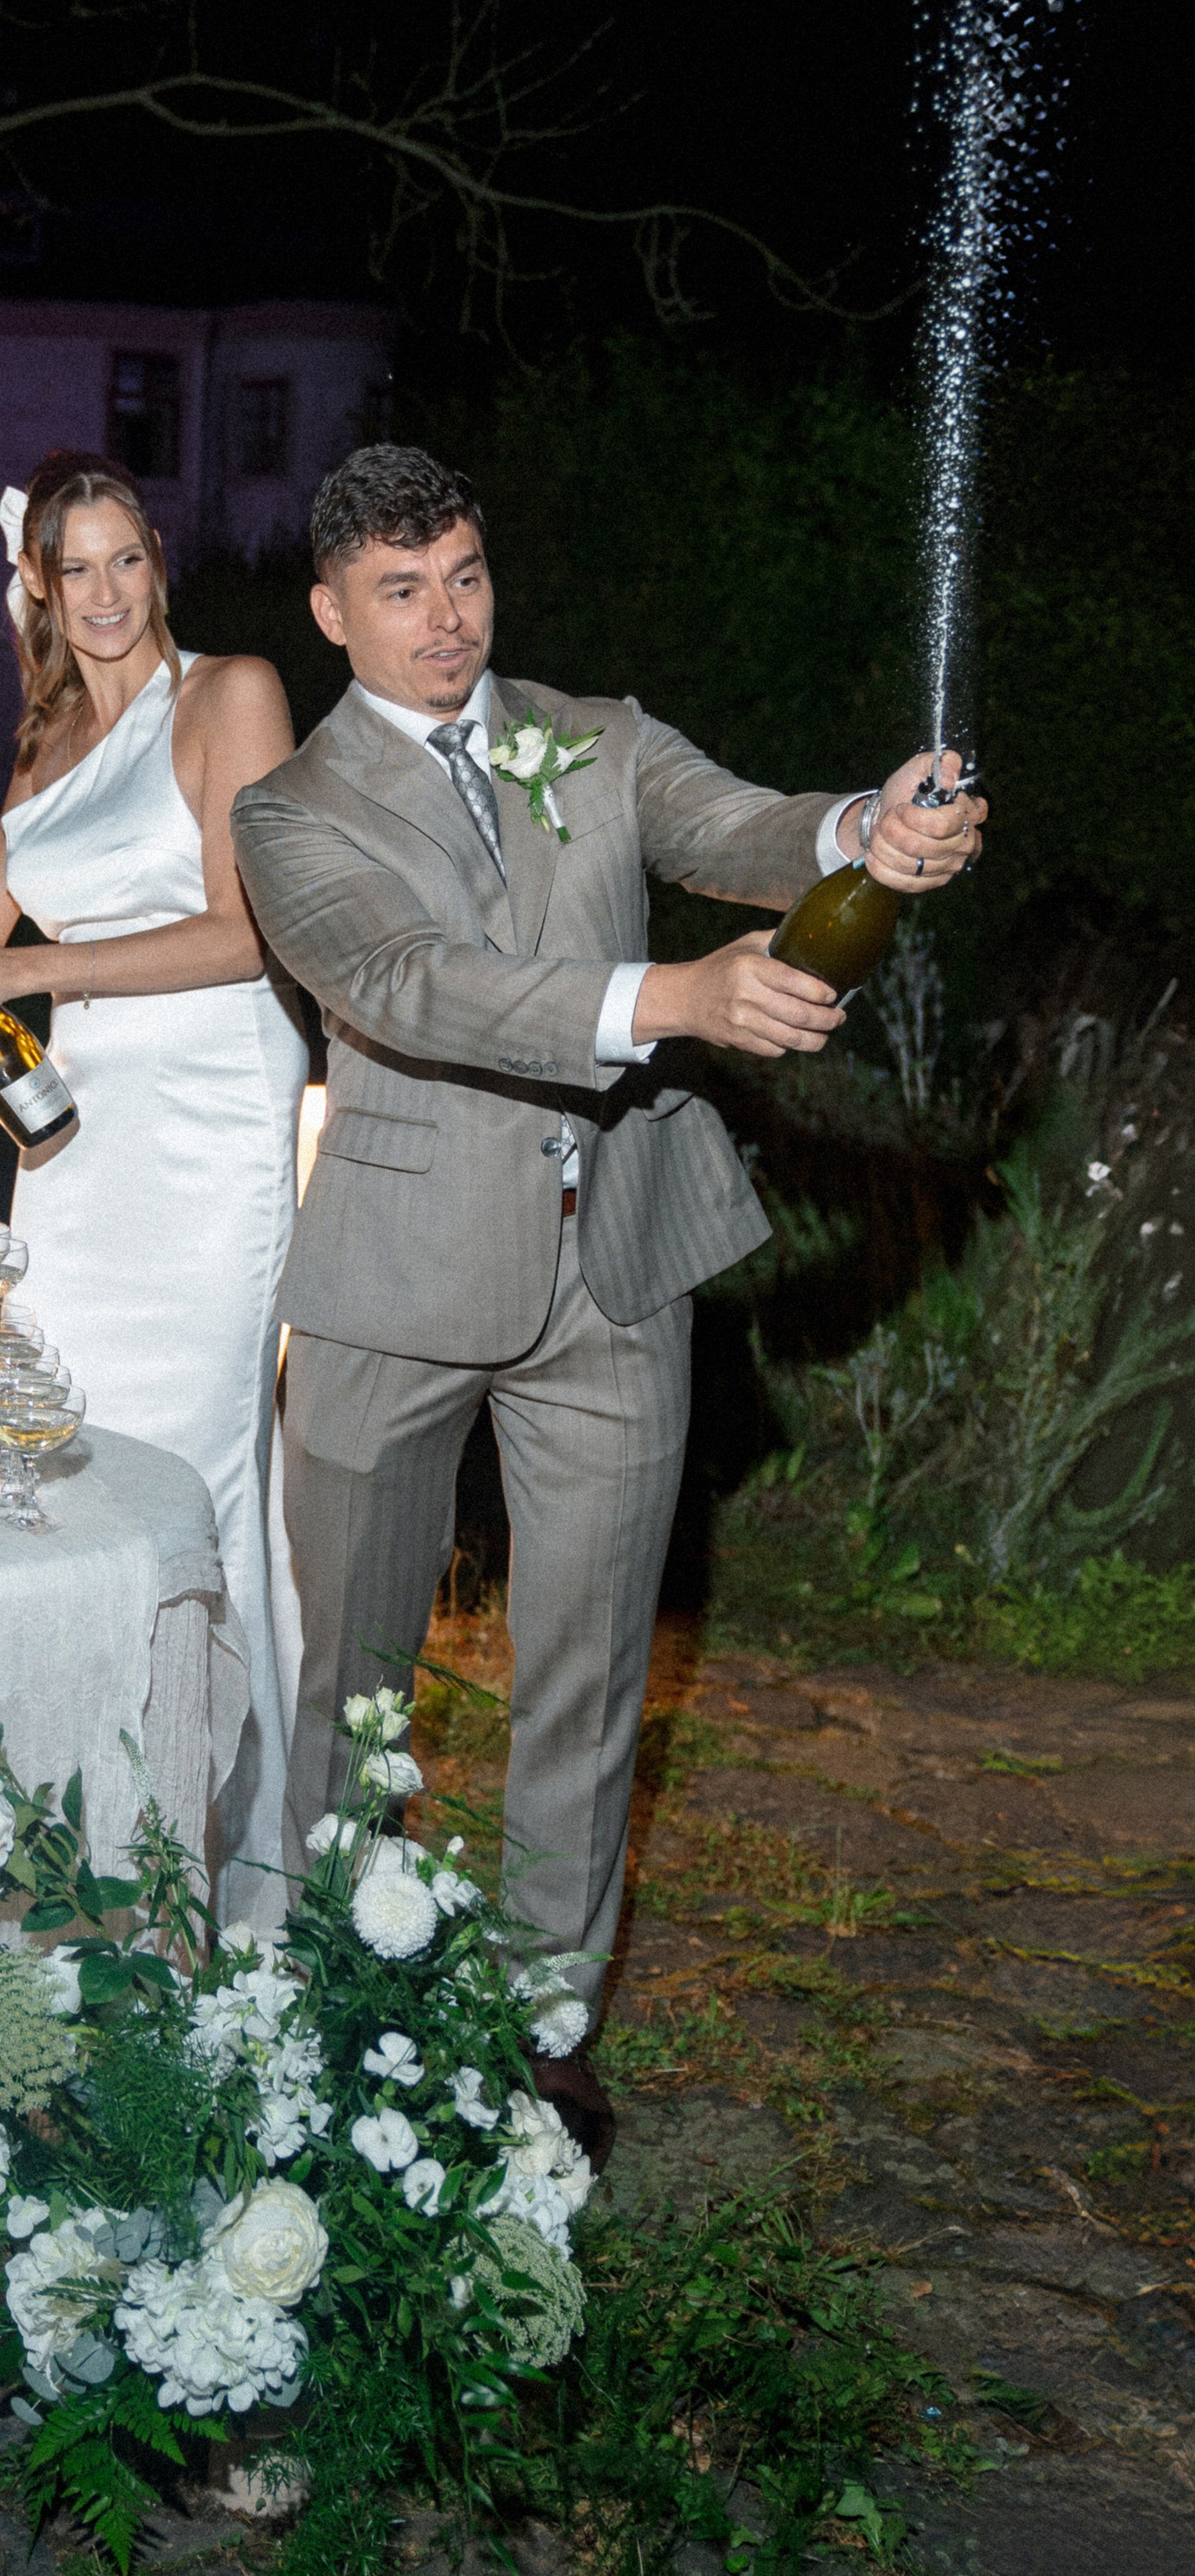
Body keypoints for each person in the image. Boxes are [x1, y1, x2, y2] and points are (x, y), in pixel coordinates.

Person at [227, 443, 986, 2158]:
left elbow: (743, 829)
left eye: (468, 577)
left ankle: (542, 2035)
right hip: (396, 1282)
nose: (448, 619)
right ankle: (342, 2012)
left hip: (617, 1275)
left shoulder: (597, 732)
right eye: (404, 592)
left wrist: (869, 828)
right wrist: (679, 998)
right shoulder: (288, 815)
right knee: (357, 1677)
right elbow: (416, 986)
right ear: (335, 613)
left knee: (588, 1678)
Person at [0, 449, 309, 1907]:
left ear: (157, 564)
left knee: (197, 1461)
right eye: (76, 569)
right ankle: (88, 1807)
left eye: (128, 561)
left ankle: (238, 1832)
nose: (106, 593)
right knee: (72, 1446)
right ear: (35, 590)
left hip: (210, 1113)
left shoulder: (228, 696)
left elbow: (247, 934)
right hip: (77, 1137)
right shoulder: (41, 750)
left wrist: (24, 965)